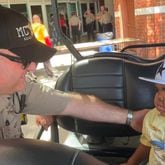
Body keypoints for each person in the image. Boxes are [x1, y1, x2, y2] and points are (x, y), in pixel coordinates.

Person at [0, 5, 147, 139]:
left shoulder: (19, 90)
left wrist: (131, 118)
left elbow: (75, 104)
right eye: (24, 60)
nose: (32, 68)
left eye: (33, 59)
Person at [121, 61, 165, 165]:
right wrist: (131, 163)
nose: (160, 96)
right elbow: (147, 144)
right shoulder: (151, 117)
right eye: (157, 90)